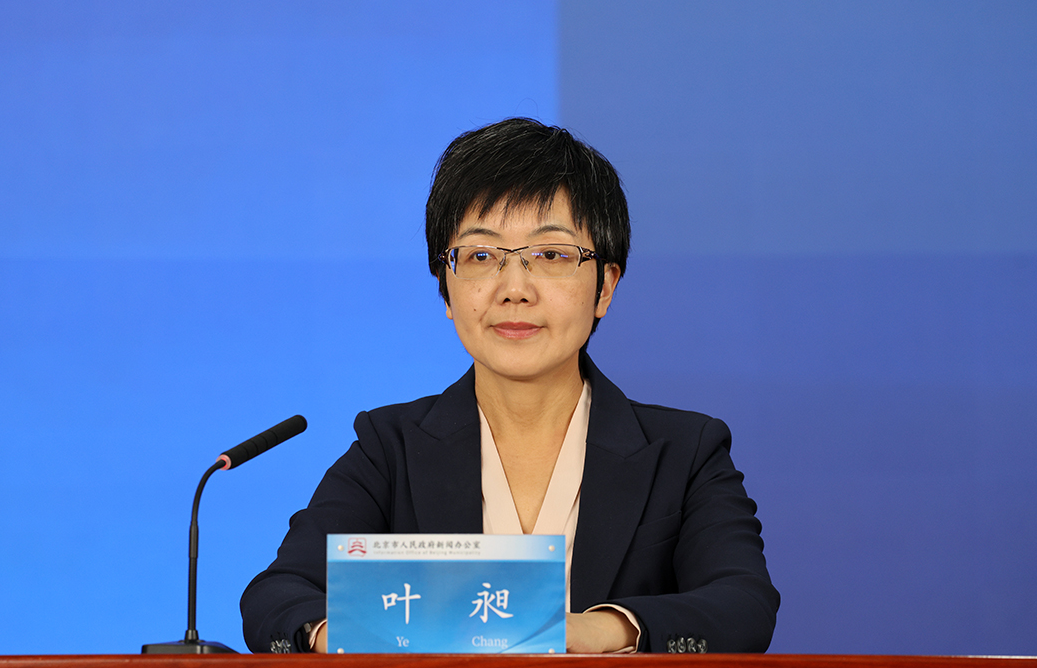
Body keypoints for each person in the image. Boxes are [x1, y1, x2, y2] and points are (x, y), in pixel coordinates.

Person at [240, 117, 779, 654]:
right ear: (446, 287)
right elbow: (277, 597)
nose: (514, 289)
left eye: (552, 255)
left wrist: (595, 630)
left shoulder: (685, 453)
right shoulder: (391, 448)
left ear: (605, 287)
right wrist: (352, 636)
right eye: (481, 256)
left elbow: (743, 605)